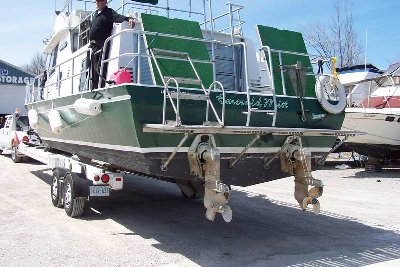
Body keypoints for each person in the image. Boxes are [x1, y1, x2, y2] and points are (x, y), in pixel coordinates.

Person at [89, 0, 135, 89]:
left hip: (102, 45)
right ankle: (94, 88)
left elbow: (117, 17)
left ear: (106, 2)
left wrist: (128, 18)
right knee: (93, 70)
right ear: (96, 2)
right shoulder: (95, 14)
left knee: (101, 68)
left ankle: (100, 87)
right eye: (98, 1)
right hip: (93, 46)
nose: (100, 3)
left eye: (102, 1)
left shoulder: (108, 12)